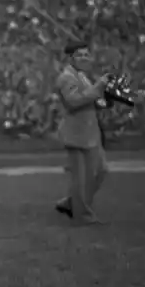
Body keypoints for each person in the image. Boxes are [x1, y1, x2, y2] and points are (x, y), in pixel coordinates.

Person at [54, 41, 111, 224]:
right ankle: (83, 215)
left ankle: (72, 203)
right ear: (70, 58)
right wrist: (98, 88)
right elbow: (73, 101)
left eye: (87, 54)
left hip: (89, 132)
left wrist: (105, 99)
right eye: (80, 55)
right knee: (82, 177)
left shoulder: (82, 76)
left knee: (100, 170)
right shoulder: (66, 78)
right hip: (76, 133)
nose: (85, 58)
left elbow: (91, 99)